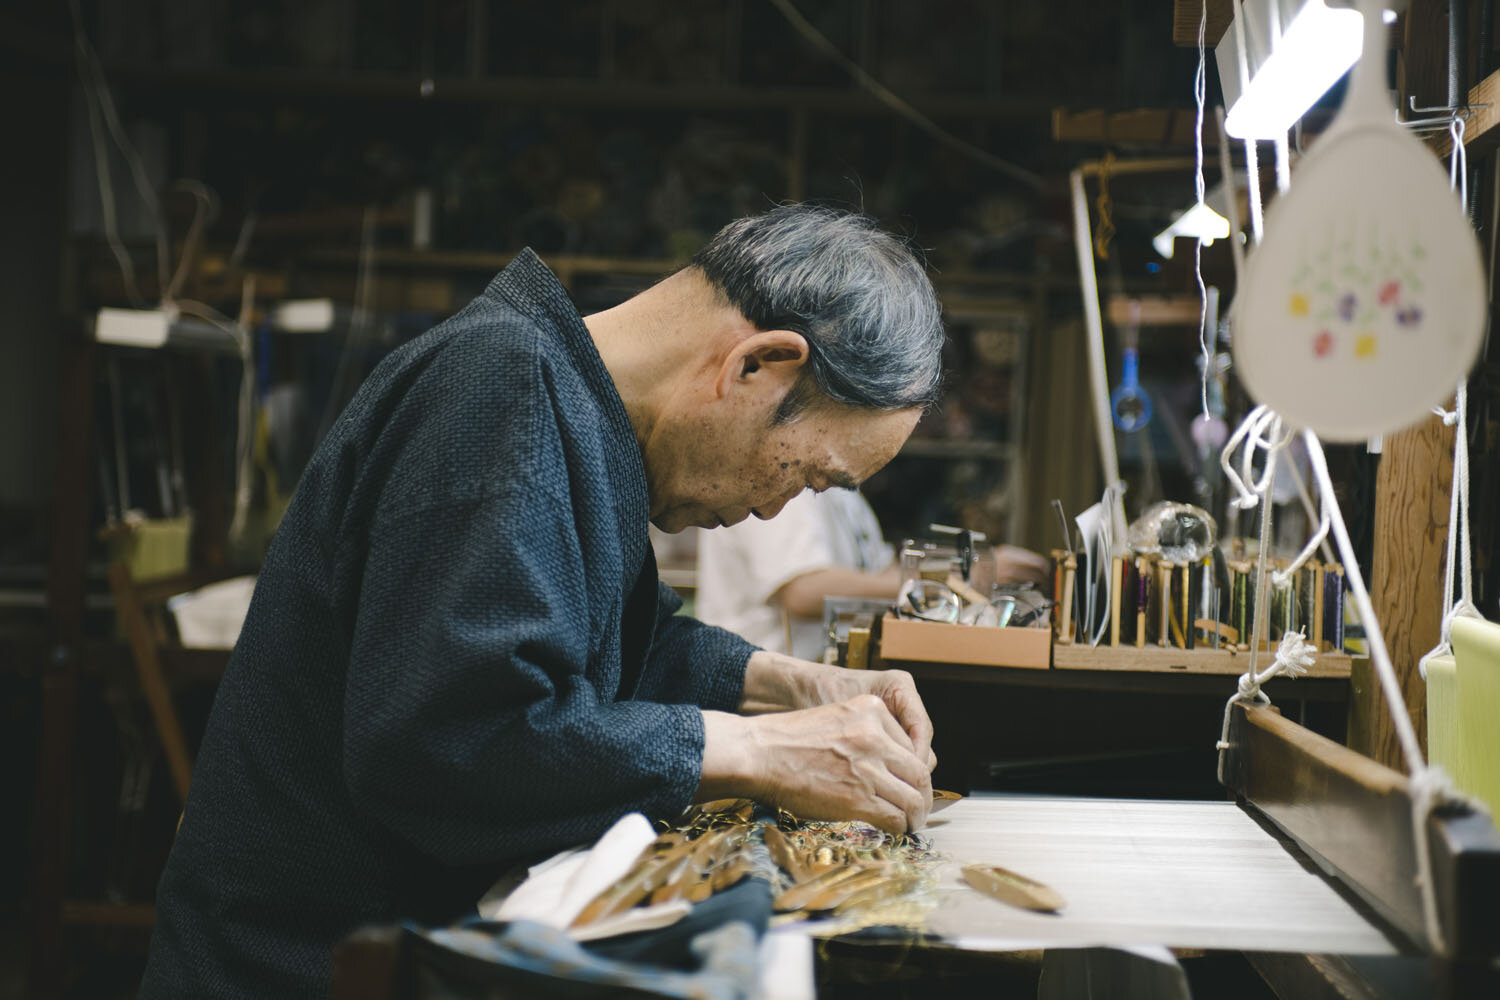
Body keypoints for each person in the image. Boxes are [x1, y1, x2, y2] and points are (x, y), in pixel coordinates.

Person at [140, 204, 947, 998]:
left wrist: (796, 685)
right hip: (293, 966)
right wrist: (766, 753)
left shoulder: (575, 408)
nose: (777, 510)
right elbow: (458, 742)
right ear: (757, 365)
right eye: (804, 472)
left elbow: (626, 642)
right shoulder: (497, 395)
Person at [697, 488, 1050, 661]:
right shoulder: (780, 472)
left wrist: (965, 576)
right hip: (751, 698)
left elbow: (883, 572)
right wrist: (961, 576)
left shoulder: (841, 489)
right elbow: (804, 590)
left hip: (805, 689)